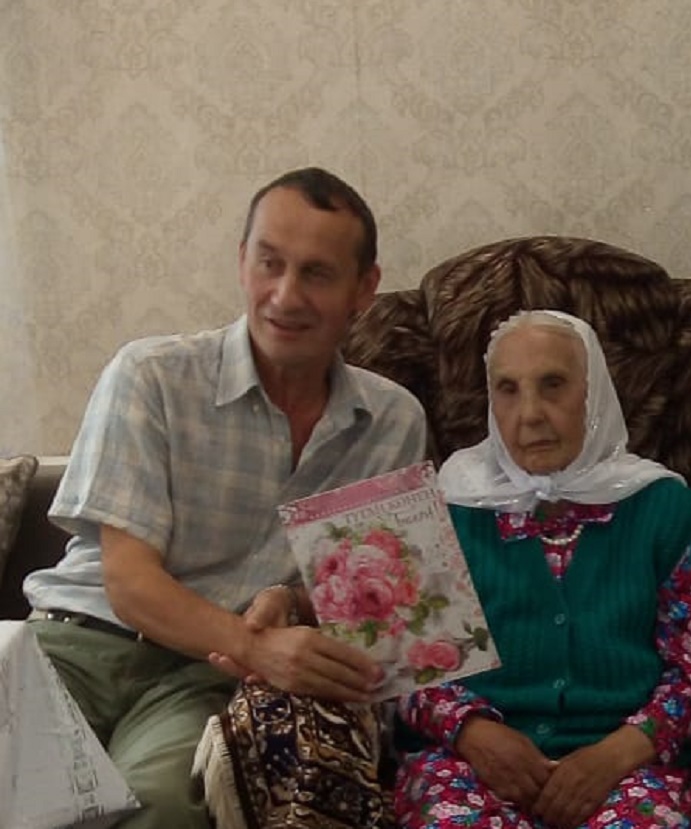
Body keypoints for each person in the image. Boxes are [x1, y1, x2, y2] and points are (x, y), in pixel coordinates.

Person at [22, 167, 427, 829]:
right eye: (270, 263)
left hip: (200, 674)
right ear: (242, 261)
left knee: (156, 806)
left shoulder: (393, 421)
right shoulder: (151, 375)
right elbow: (130, 583)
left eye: (317, 273)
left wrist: (289, 604)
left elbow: (368, 604)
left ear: (364, 288)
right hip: (77, 642)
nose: (285, 295)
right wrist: (260, 648)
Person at [394, 310, 691, 829]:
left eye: (553, 385)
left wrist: (610, 758)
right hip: (468, 763)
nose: (530, 414)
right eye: (508, 390)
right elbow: (409, 670)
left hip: (624, 767)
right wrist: (476, 734)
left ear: (594, 396)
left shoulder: (663, 508)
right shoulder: (446, 507)